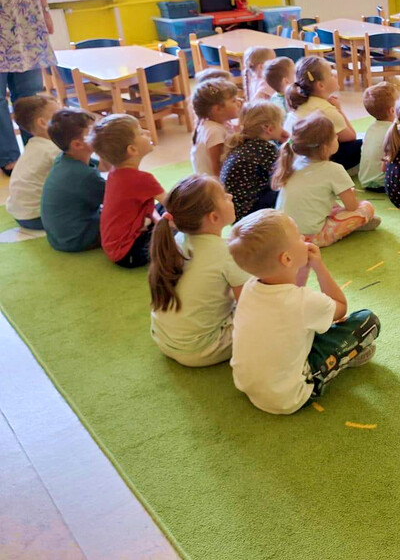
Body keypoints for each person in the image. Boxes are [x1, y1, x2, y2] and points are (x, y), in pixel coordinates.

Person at [228, 209, 380, 415]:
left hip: (247, 384)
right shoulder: (304, 302)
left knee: (311, 324)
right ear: (287, 259)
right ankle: (346, 359)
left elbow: (290, 300)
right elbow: (340, 306)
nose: (304, 239)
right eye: (299, 236)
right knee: (367, 320)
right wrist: (319, 266)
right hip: (291, 396)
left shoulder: (249, 287)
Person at [148, 175, 249, 367]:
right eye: (224, 196)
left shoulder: (175, 242)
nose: (230, 196)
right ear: (214, 217)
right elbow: (249, 305)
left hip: (163, 338)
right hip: (200, 349)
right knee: (270, 316)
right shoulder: (227, 253)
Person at [0, 0, 57, 176]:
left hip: (25, 23)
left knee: (30, 95)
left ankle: (38, 149)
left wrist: (45, 10)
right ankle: (9, 157)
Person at [273, 113, 379, 246]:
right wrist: (351, 193)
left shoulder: (293, 163)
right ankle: (355, 225)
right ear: (325, 147)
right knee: (366, 207)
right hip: (311, 237)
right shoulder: (334, 169)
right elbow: (352, 206)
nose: (337, 137)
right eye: (335, 136)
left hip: (284, 233)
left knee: (329, 201)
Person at [91, 114, 164, 268]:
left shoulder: (114, 173)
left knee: (163, 211)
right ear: (132, 149)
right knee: (179, 212)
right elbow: (174, 203)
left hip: (115, 248)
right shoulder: (142, 179)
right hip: (129, 253)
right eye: (141, 133)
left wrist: (156, 218)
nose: (147, 132)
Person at [40, 108, 104, 252]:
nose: (100, 134)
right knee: (132, 219)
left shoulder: (64, 158)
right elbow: (118, 202)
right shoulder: (84, 175)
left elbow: (104, 166)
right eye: (95, 132)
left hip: (60, 237)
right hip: (77, 238)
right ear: (77, 144)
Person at [285, 56, 361, 171]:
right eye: (331, 74)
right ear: (320, 85)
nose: (335, 75)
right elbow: (350, 136)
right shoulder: (326, 109)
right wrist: (339, 109)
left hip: (295, 160)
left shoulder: (300, 102)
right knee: (361, 145)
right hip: (313, 162)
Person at [220, 100, 284, 221]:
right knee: (288, 187)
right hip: (252, 212)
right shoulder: (265, 149)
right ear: (268, 129)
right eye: (281, 124)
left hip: (236, 211)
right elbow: (282, 174)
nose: (282, 128)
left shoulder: (243, 143)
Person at [5, 94, 60, 229]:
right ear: (42, 123)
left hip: (20, 214)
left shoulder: (34, 145)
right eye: (60, 116)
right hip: (38, 216)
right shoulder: (52, 150)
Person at [190, 78, 240, 177]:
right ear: (218, 109)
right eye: (233, 101)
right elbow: (218, 167)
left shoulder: (210, 124)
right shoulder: (214, 132)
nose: (239, 102)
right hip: (215, 185)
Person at [358, 82, 399, 192]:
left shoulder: (371, 128)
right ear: (392, 110)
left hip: (365, 180)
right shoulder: (393, 131)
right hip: (383, 183)